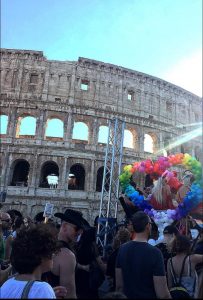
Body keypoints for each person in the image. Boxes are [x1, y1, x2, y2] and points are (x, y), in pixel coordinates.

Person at [0, 224, 67, 298]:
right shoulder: (42, 289)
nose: (53, 255)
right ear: (41, 256)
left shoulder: (7, 284)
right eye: (50, 251)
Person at [116, 211, 171, 299]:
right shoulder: (155, 253)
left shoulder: (122, 249)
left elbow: (119, 286)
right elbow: (162, 294)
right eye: (151, 223)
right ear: (147, 226)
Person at [42, 208, 84, 298]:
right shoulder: (67, 255)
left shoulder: (47, 246)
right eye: (77, 229)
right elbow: (69, 294)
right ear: (64, 227)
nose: (79, 233)